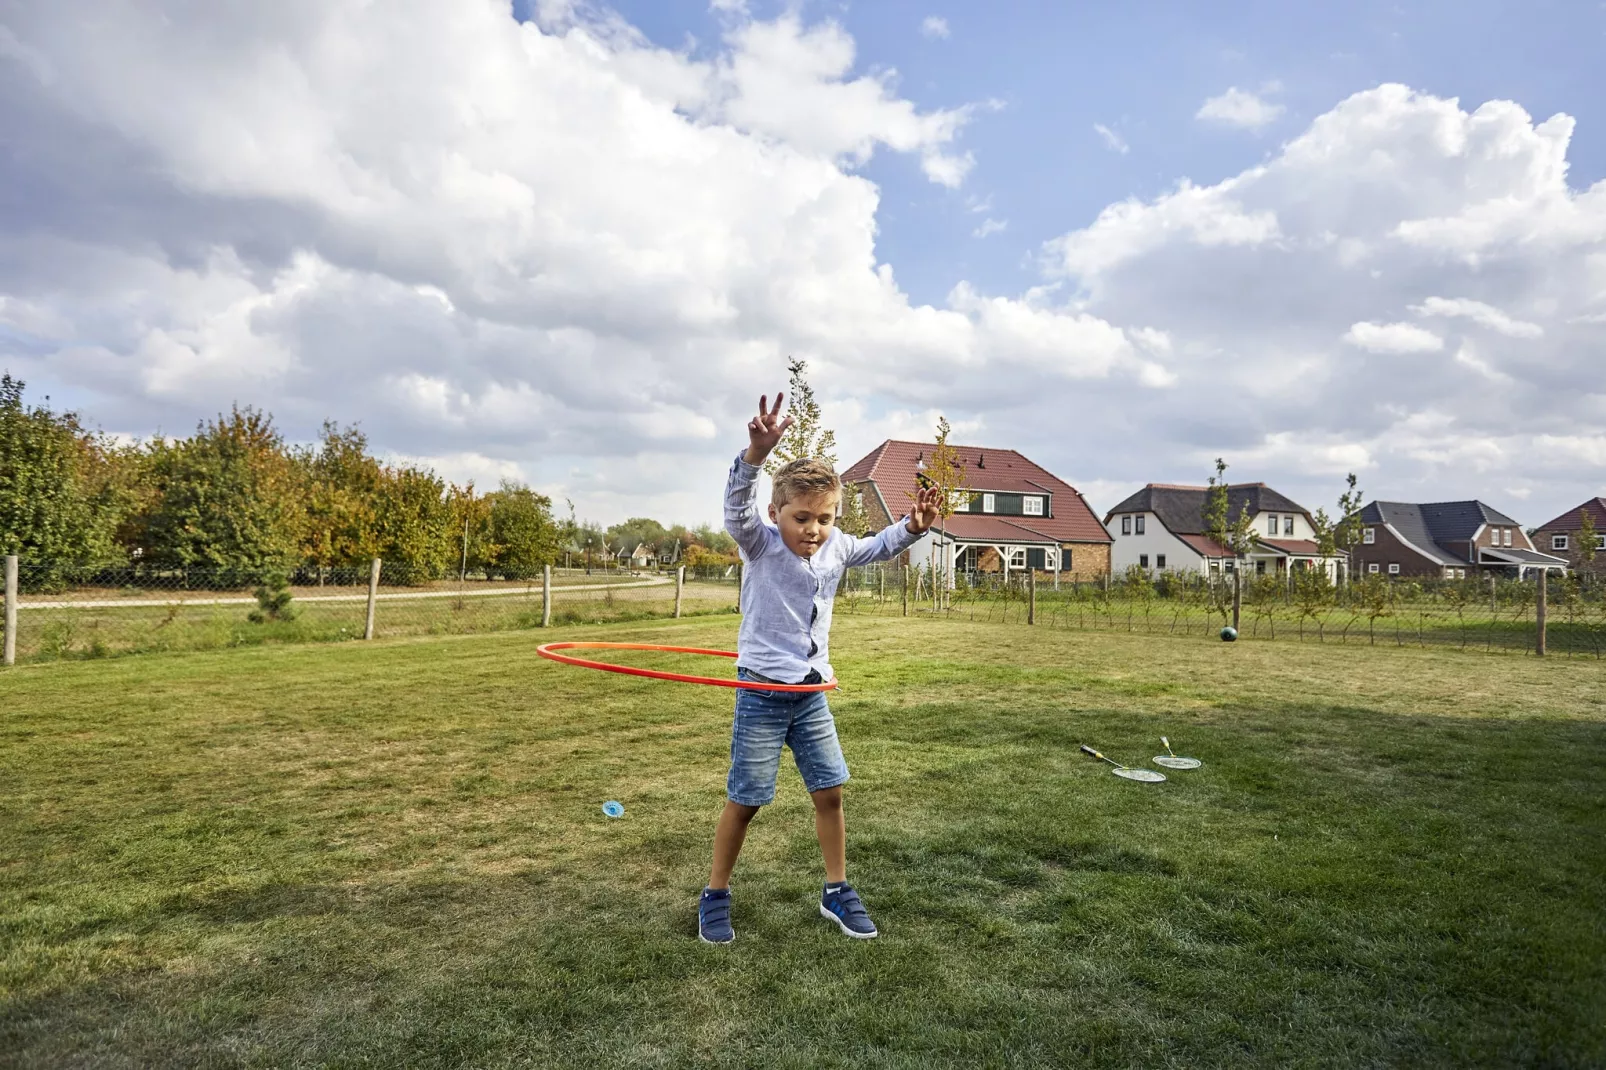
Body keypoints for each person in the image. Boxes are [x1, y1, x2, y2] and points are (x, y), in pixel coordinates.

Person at [698, 392, 942, 944]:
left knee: (829, 792)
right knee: (747, 799)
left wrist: (914, 527)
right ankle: (715, 894)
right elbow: (735, 509)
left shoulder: (835, 548)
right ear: (775, 513)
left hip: (810, 694)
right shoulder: (759, 545)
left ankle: (837, 891)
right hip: (761, 691)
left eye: (824, 518)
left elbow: (880, 546)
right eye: (801, 517)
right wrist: (755, 457)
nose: (813, 529)